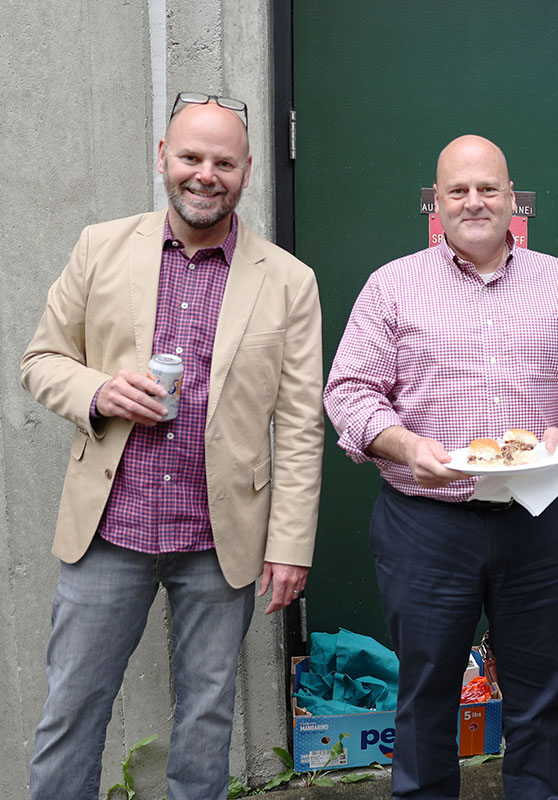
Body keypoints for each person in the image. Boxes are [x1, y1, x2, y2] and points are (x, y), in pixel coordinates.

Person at [21, 93, 324, 799]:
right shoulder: (101, 247)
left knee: (208, 722)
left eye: (223, 162)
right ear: (163, 157)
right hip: (108, 530)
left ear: (247, 170)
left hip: (218, 543)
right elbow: (41, 360)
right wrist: (98, 393)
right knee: (71, 711)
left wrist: (290, 544)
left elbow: (302, 424)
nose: (205, 174)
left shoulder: (288, 281)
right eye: (191, 157)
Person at [324, 134, 558, 800]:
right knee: (426, 696)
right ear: (436, 203)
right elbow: (348, 391)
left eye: (488, 187)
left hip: (537, 520)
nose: (474, 201)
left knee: (539, 694)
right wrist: (404, 445)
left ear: (513, 198)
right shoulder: (392, 287)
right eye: (457, 190)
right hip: (425, 526)